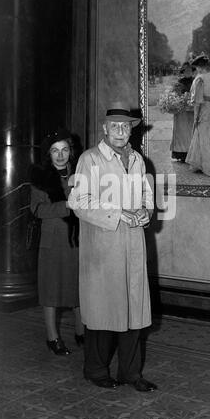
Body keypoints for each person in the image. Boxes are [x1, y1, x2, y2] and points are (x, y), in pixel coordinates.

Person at [67, 102, 157, 392]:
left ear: (132, 130)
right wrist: (118, 213)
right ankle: (95, 370)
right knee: (104, 312)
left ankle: (132, 373)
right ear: (104, 129)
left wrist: (146, 210)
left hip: (133, 243)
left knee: (133, 313)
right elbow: (78, 201)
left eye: (125, 126)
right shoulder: (90, 159)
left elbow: (147, 194)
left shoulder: (138, 160)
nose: (120, 131)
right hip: (103, 247)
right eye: (114, 126)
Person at [29, 129, 84, 355]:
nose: (60, 155)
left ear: (70, 152)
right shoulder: (40, 176)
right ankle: (52, 337)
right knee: (51, 289)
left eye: (64, 150)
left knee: (78, 288)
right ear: (48, 154)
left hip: (77, 239)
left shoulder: (81, 172)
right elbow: (37, 209)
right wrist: (66, 206)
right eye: (55, 151)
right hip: (52, 241)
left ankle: (82, 333)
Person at [170, 62, 195, 162]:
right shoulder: (179, 82)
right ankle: (182, 154)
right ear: (183, 72)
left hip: (192, 111)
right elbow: (174, 95)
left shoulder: (195, 81)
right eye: (186, 71)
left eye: (189, 70)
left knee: (191, 132)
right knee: (182, 132)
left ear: (192, 71)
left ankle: (192, 153)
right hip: (181, 112)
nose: (188, 72)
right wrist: (179, 100)